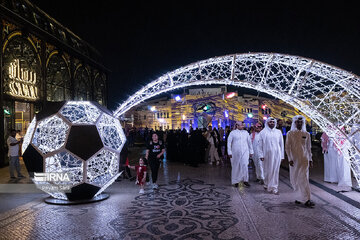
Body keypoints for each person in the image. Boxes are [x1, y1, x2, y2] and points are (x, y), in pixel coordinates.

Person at [286, 115, 315, 207]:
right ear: (294, 123)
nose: (299, 123)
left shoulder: (306, 134)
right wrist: (290, 158)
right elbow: (287, 147)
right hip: (294, 160)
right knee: (295, 179)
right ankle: (299, 197)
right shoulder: (290, 133)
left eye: (301, 122)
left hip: (304, 159)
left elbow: (308, 148)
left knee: (304, 178)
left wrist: (310, 159)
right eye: (297, 122)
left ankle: (307, 199)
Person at [258, 117, 284, 194]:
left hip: (277, 154)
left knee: (275, 171)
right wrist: (261, 155)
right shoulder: (263, 132)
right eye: (270, 122)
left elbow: (281, 144)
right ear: (267, 123)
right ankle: (266, 184)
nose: (272, 123)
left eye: (273, 122)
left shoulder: (278, 132)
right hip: (266, 154)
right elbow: (260, 145)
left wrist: (282, 156)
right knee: (267, 170)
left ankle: (274, 187)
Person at [227, 121, 254, 187]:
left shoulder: (246, 133)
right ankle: (235, 181)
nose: (243, 126)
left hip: (245, 152)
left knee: (245, 165)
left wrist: (251, 151)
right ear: (237, 126)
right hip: (235, 152)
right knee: (236, 166)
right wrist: (229, 152)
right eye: (241, 125)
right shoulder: (232, 133)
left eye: (242, 125)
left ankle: (245, 180)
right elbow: (229, 143)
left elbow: (249, 143)